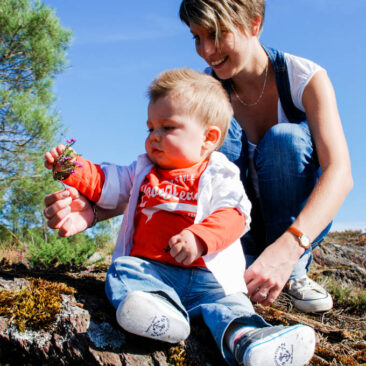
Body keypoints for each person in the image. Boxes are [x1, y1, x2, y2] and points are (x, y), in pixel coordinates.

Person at [44, 2, 353, 313]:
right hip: (220, 231)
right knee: (213, 128)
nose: (206, 50)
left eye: (216, 34)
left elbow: (339, 173)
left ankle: (293, 272)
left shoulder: (305, 79)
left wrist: (286, 251)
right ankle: (236, 262)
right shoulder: (201, 92)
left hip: (289, 234)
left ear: (254, 25)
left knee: (286, 140)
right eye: (196, 37)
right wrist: (97, 211)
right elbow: (170, 174)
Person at [44, 68, 316, 366]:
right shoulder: (142, 170)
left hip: (208, 278)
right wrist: (72, 168)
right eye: (150, 129)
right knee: (124, 270)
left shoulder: (219, 172)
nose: (154, 138)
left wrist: (200, 237)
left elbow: (234, 214)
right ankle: (159, 313)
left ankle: (250, 341)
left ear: (208, 138)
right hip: (154, 271)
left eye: (167, 127)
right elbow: (107, 182)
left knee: (231, 306)